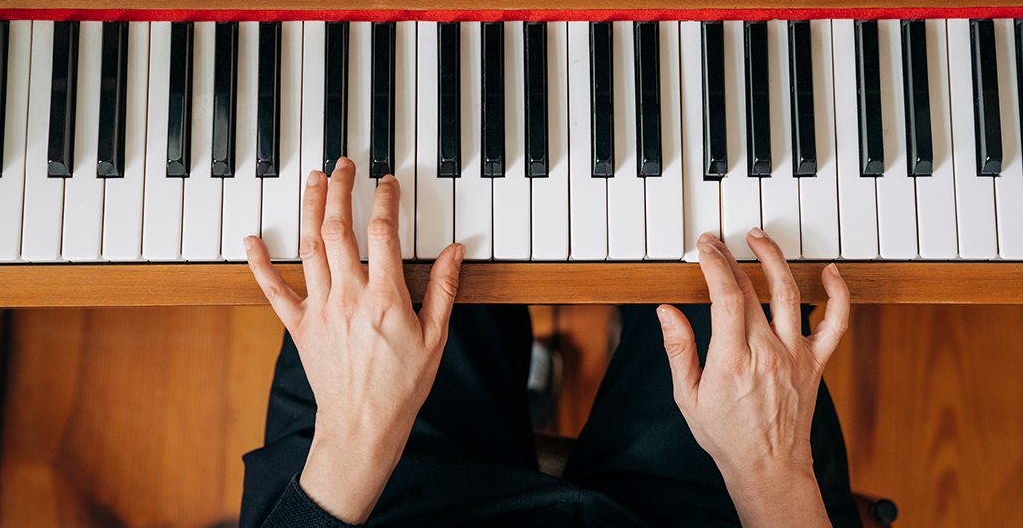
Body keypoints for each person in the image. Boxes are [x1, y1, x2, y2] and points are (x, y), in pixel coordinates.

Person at [239, 159, 862, 528]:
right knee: (736, 228)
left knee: (409, 209)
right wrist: (774, 475)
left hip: (385, 504)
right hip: (707, 515)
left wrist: (355, 430)